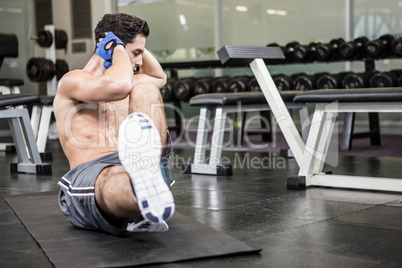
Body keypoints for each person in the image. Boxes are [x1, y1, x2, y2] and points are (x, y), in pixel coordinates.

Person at [53, 13, 175, 236]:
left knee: (148, 89)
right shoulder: (73, 82)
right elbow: (118, 84)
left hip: (134, 162)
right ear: (111, 47)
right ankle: (142, 190)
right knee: (114, 177)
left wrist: (133, 46)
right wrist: (117, 47)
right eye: (136, 54)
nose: (140, 62)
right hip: (93, 175)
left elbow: (159, 78)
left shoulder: (130, 83)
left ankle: (147, 174)